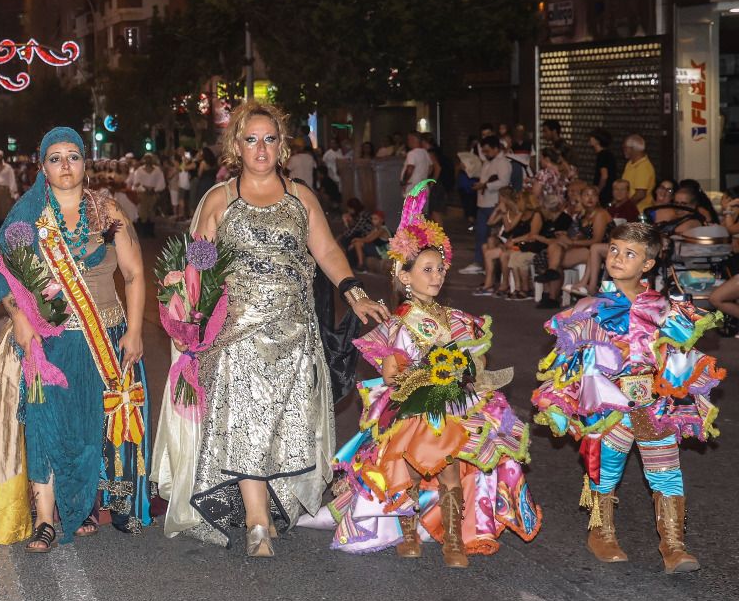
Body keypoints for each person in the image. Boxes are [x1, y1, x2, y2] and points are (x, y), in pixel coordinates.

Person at [153, 101, 388, 554]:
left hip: (296, 332)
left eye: (270, 139)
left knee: (284, 422)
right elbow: (198, 266)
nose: (261, 148)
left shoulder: (301, 196)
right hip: (236, 334)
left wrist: (355, 292)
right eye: (251, 139)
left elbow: (326, 251)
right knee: (244, 421)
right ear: (235, 146)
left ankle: (269, 506)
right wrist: (188, 309)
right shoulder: (221, 200)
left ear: (282, 146)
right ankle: (257, 521)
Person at [318, 182, 539, 563]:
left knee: (452, 467)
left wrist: (468, 370)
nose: (437, 276)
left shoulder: (454, 318)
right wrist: (421, 377)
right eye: (427, 269)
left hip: (452, 405)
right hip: (412, 407)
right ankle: (409, 533)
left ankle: (454, 539)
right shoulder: (399, 322)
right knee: (411, 471)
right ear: (405, 277)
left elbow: (475, 361)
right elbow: (390, 374)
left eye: (440, 268)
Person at [0, 128, 150, 550]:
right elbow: (5, 276)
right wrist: (19, 316)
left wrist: (134, 330)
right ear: (42, 167)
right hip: (50, 339)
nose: (64, 165)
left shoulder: (107, 211)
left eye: (72, 156)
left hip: (106, 335)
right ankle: (44, 518)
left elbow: (132, 274)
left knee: (94, 420)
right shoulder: (28, 216)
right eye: (54, 158)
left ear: (85, 164)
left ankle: (85, 506)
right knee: (45, 423)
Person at [533, 222, 721, 574]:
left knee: (666, 471)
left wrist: (679, 390)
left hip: (653, 404)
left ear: (647, 265)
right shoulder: (590, 307)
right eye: (615, 250)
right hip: (610, 406)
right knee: (606, 469)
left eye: (630, 254)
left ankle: (673, 545)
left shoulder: (664, 308)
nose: (618, 258)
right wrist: (561, 401)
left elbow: (679, 356)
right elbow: (568, 361)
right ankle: (601, 533)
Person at [459, 137, 511, 276]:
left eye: (487, 151)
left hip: (493, 203)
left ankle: (490, 265)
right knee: (481, 235)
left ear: (495, 149)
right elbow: (483, 176)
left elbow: (504, 181)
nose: (485, 154)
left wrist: (485, 185)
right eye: (483, 151)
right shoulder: (489, 162)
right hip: (483, 203)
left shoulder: (503, 163)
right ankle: (480, 262)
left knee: (492, 236)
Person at [127, 153, 166, 237]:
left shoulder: (157, 170)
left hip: (153, 194)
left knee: (152, 212)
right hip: (142, 194)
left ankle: (151, 232)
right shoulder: (139, 170)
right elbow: (136, 183)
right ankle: (144, 232)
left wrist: (154, 189)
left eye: (150, 158)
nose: (148, 160)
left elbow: (161, 182)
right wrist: (144, 188)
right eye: (146, 158)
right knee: (143, 212)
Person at [621, 134, 655, 213]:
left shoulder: (643, 167)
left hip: (639, 211)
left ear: (633, 149)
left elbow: (640, 194)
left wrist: (624, 208)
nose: (623, 150)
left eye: (625, 148)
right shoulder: (630, 163)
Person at [587, 130, 616, 205]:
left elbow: (604, 176)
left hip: (604, 193)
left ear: (597, 141)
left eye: (591, 137)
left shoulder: (602, 155)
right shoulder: (607, 154)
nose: (589, 139)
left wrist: (598, 190)